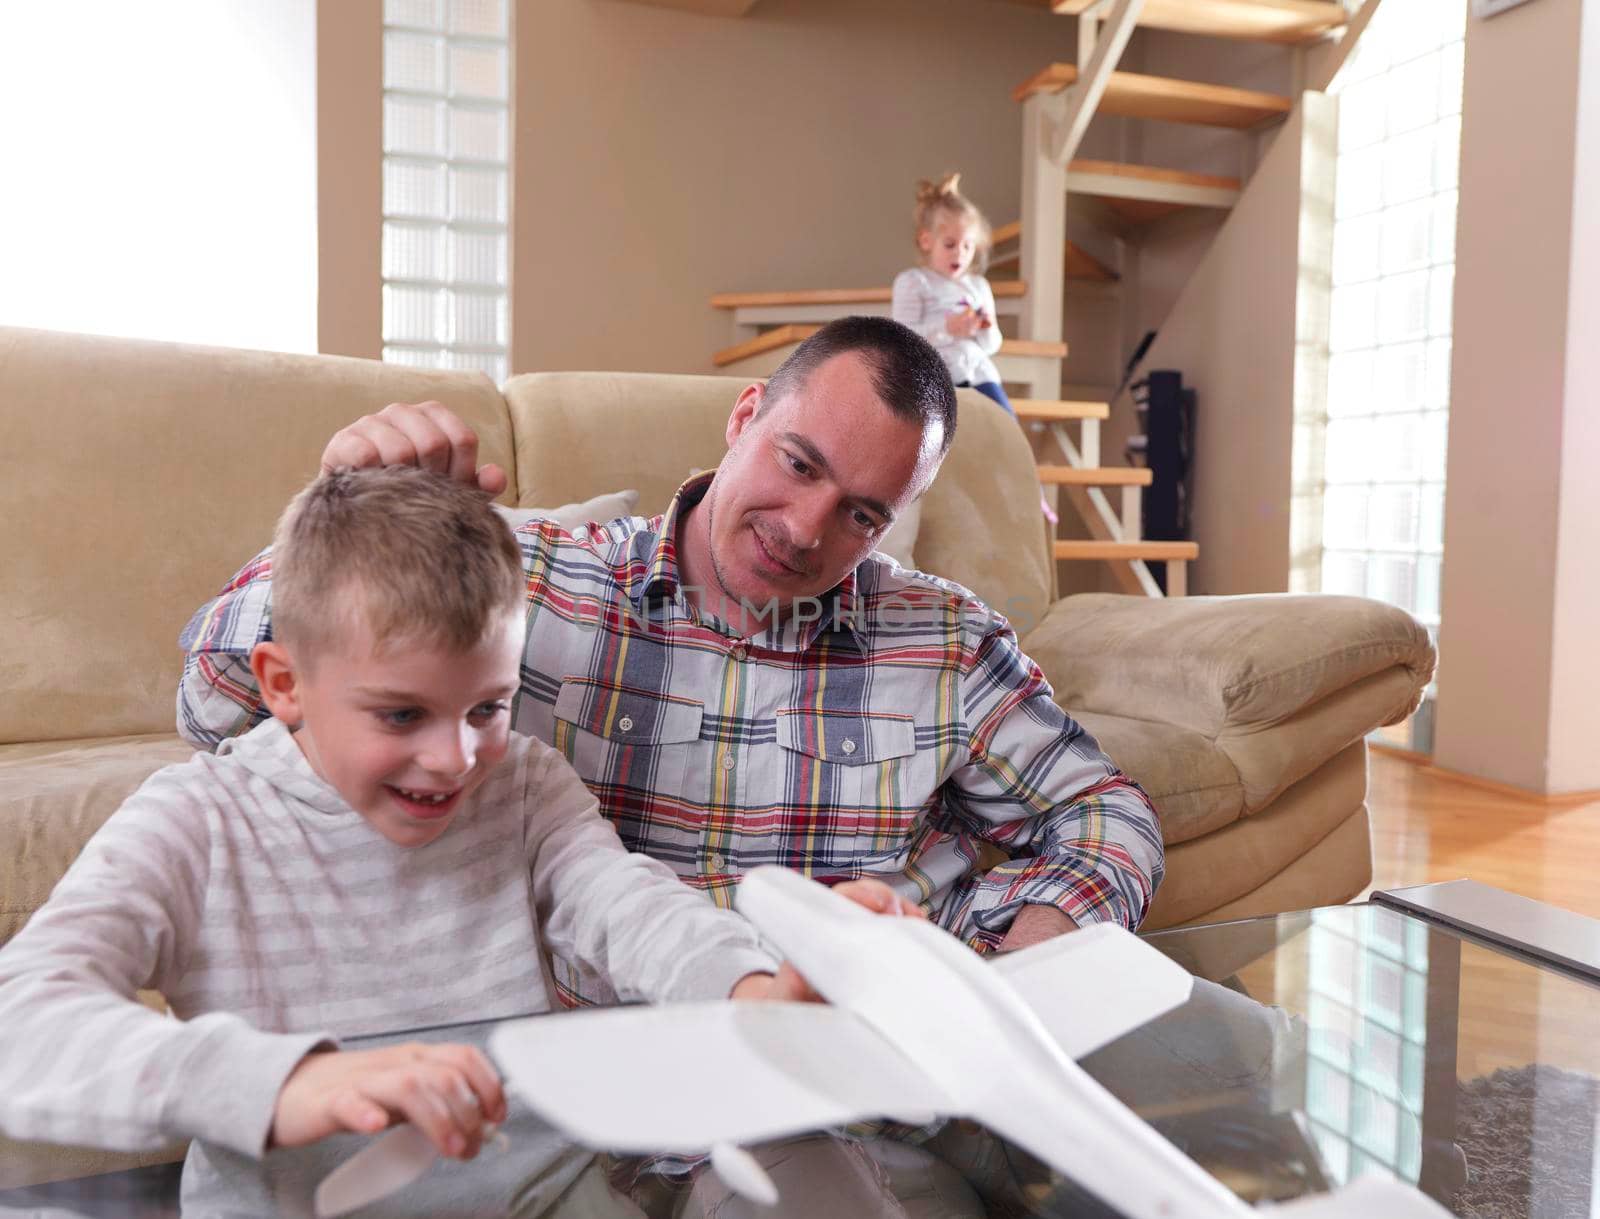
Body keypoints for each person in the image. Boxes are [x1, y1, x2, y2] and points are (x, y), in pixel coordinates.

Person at [176, 317, 1166, 1210]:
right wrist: (347, 509)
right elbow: (217, 699)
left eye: (863, 513)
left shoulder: (943, 642)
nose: (806, 528)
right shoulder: (534, 581)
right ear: (744, 415)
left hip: (817, 1096)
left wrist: (997, 962)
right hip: (561, 1108)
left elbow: (1104, 815)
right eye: (798, 462)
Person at [0, 467, 897, 1218]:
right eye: (401, 712)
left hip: (541, 1198)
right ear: (284, 683)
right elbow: (24, 1022)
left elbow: (629, 906)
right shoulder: (198, 821)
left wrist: (754, 987)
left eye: (486, 707)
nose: (455, 758)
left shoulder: (523, 785)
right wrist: (282, 1083)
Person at [890, 173, 1011, 417]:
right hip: (936, 375)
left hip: (979, 372)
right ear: (926, 241)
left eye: (967, 246)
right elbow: (903, 340)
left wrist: (985, 327)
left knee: (1005, 424)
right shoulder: (913, 282)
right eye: (950, 244)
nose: (960, 254)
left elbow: (992, 345)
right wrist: (947, 328)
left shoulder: (979, 286)